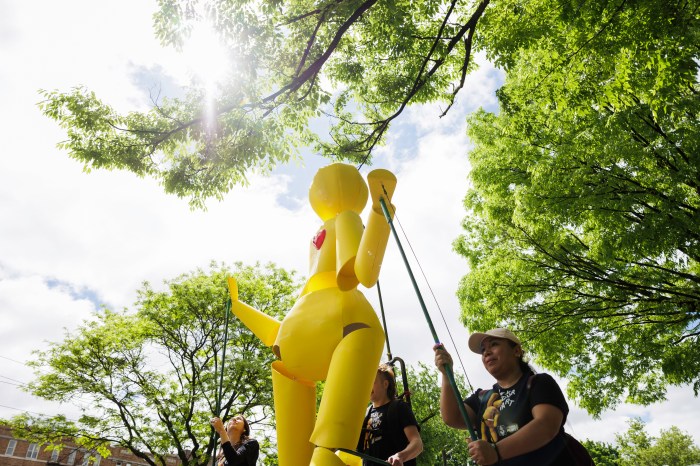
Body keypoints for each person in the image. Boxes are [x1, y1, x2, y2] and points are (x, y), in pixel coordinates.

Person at [434, 328, 581, 466]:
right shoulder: (482, 398)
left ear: (516, 351)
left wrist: (495, 452)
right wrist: (447, 375)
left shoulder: (539, 383)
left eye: (494, 344)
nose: (486, 353)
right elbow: (452, 418)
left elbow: (546, 425)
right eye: (483, 349)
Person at [357, 364, 423, 466]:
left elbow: (417, 443)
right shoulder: (364, 414)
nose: (368, 385)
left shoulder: (399, 407)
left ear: (385, 384)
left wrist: (400, 456)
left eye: (372, 382)